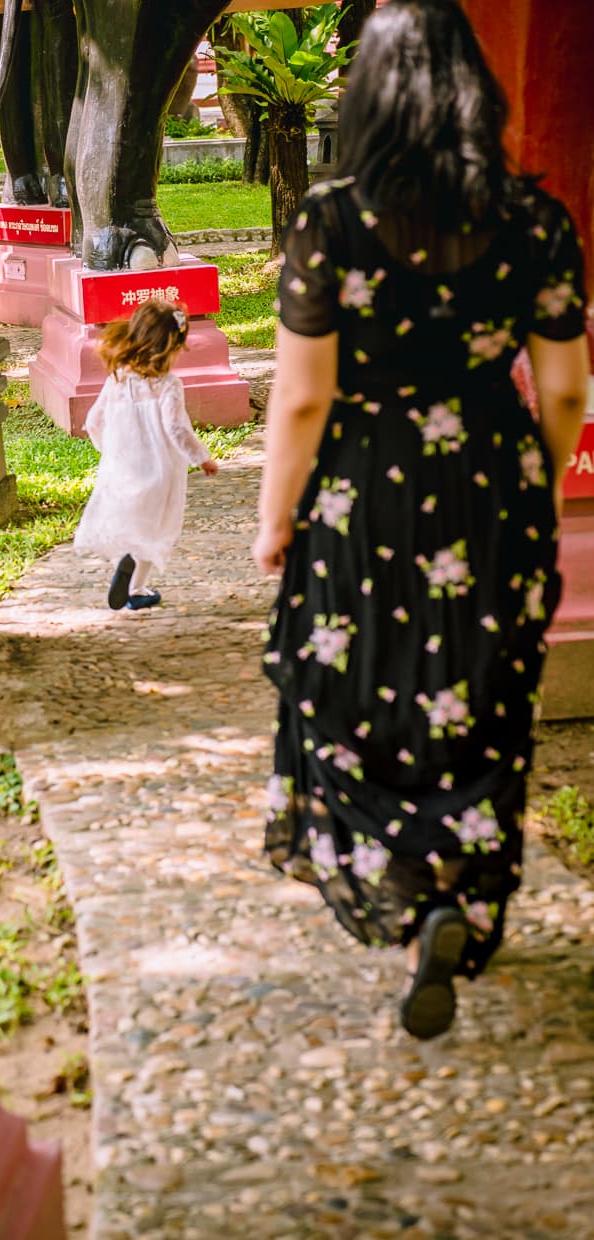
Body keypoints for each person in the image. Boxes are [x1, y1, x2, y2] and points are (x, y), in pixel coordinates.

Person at [253, 0, 589, 1039]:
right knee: (475, 694)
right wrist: (533, 475)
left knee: (358, 689)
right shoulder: (536, 223)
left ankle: (402, 883)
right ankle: (450, 887)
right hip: (492, 484)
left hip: (364, 491)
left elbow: (303, 398)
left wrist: (275, 521)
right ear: (471, 96)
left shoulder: (331, 222)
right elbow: (567, 384)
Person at [74, 300, 219, 610]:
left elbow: (93, 421)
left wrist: (108, 449)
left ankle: (127, 566)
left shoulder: (117, 378)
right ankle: (137, 588)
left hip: (121, 465)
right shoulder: (168, 386)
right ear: (170, 347)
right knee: (151, 531)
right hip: (159, 471)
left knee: (128, 522)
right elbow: (176, 429)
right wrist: (202, 458)